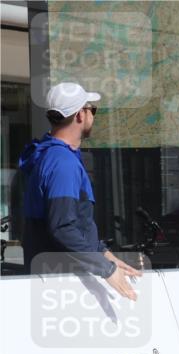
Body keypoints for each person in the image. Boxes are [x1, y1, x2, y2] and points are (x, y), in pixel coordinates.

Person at [19, 82, 138, 299]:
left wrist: (106, 256)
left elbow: (77, 222)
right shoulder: (62, 162)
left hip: (58, 282)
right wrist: (106, 270)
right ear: (80, 115)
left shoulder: (51, 155)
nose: (93, 115)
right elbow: (63, 227)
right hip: (62, 287)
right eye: (92, 109)